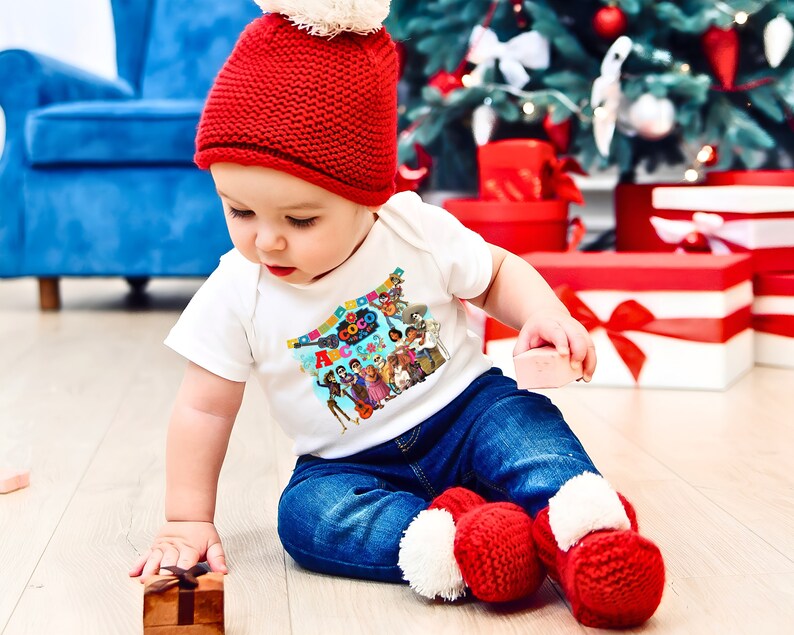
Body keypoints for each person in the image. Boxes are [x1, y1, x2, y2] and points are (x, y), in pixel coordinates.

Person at [129, 1, 664, 628]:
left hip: (466, 413)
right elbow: (203, 407)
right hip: (350, 463)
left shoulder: (411, 228)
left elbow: (494, 274)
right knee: (306, 520)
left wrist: (541, 312)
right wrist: (187, 517)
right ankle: (457, 546)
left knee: (527, 432)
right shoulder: (235, 288)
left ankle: (585, 533)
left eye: (299, 220)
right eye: (238, 211)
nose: (265, 241)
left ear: (369, 196)